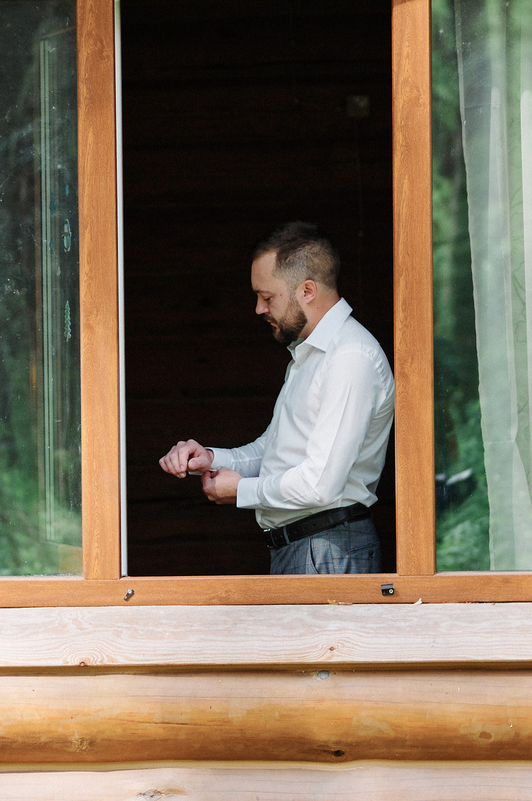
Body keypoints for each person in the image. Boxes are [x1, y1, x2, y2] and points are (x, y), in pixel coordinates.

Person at [159, 222, 395, 575]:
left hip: (328, 550)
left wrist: (243, 491)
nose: (258, 308)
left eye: (267, 297)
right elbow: (274, 452)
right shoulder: (309, 356)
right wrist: (209, 458)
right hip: (309, 548)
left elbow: (320, 486)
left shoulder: (350, 358)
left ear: (307, 291)